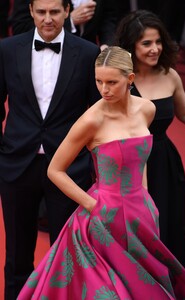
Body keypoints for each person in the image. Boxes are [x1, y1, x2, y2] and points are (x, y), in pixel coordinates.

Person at [17, 46, 185, 300]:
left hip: (141, 213)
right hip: (102, 218)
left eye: (112, 82)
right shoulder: (91, 120)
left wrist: (146, 198)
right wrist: (93, 205)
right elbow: (55, 170)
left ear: (130, 79)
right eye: (99, 81)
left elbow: (138, 159)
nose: (104, 89)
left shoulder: (147, 110)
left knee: (146, 289)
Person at [0, 0, 101, 298]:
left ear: (68, 11)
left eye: (55, 12)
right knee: (16, 256)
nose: (47, 19)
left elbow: (97, 113)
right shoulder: (7, 50)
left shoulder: (87, 53)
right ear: (30, 10)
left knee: (67, 256)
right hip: (18, 164)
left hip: (70, 168)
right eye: (41, 12)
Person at [114, 10, 185, 268]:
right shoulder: (118, 81)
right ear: (131, 45)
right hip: (128, 166)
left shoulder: (170, 75)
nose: (155, 48)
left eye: (158, 41)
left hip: (165, 164)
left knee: (171, 226)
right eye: (146, 43)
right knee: (137, 233)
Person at [11, 0, 117, 49]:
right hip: (43, 53)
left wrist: (106, 45)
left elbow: (109, 17)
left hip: (90, 58)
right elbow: (20, 26)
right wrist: (69, 20)